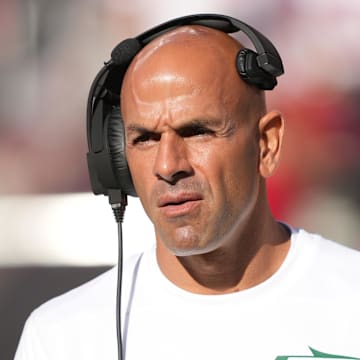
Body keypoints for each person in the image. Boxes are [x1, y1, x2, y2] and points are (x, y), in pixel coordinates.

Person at [14, 15, 360, 360]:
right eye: (145, 138)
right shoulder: (61, 337)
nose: (168, 166)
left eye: (197, 131)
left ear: (266, 144)